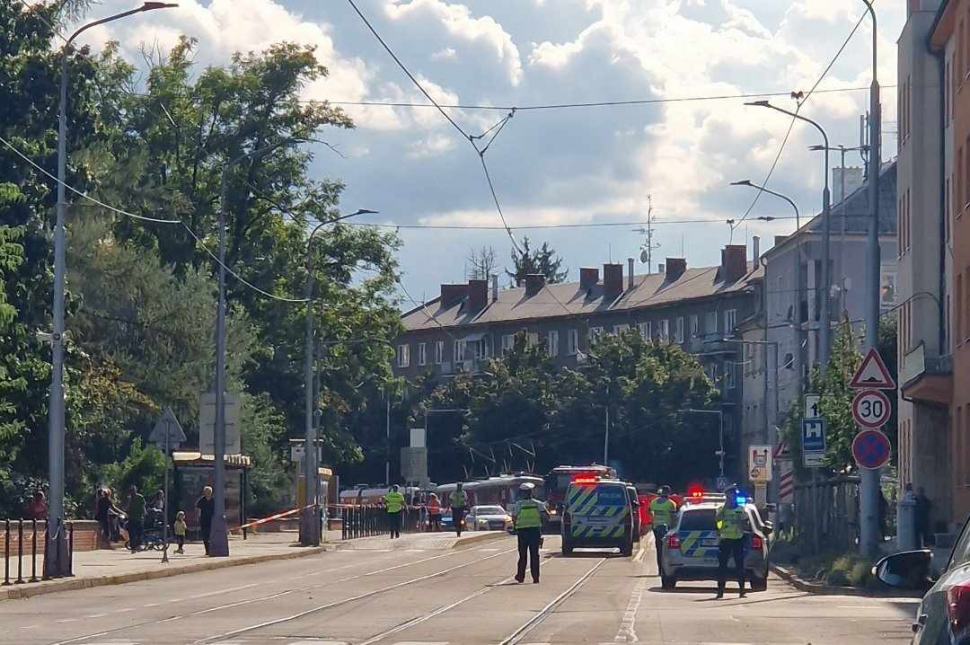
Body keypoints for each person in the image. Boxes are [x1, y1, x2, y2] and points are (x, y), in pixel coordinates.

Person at [715, 485, 747, 599]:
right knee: (722, 566)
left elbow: (745, 524)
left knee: (740, 566)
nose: (732, 497)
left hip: (738, 539)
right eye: (730, 495)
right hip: (725, 539)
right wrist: (724, 508)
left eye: (734, 495)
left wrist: (742, 522)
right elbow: (717, 521)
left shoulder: (741, 509)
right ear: (726, 496)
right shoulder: (721, 509)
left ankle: (742, 590)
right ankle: (720, 591)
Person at [511, 482, 545, 584]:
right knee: (535, 555)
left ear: (522, 493)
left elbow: (514, 517)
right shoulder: (538, 504)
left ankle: (520, 576)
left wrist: (516, 525)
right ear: (532, 492)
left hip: (522, 532)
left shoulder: (518, 505)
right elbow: (546, 516)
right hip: (535, 531)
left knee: (523, 555)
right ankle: (536, 577)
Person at [649, 486, 677, 569]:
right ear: (669, 493)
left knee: (659, 549)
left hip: (656, 527)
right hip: (667, 529)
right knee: (667, 550)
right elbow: (673, 518)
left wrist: (654, 517)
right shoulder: (671, 503)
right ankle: (666, 568)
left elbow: (648, 511)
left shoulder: (653, 502)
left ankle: (660, 568)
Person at [126, 485, 146, 552]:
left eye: (133, 491)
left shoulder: (140, 497)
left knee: (139, 533)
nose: (132, 492)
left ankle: (138, 546)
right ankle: (133, 547)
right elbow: (127, 508)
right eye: (131, 491)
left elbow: (143, 506)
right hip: (131, 518)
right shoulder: (129, 498)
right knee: (132, 534)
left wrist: (144, 513)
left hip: (139, 518)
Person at [196, 486, 214, 555]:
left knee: (212, 535)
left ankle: (212, 549)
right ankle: (207, 550)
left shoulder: (213, 500)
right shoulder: (201, 500)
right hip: (204, 520)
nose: (208, 493)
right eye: (206, 492)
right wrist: (198, 517)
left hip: (212, 520)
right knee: (205, 536)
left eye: (209, 492)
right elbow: (198, 509)